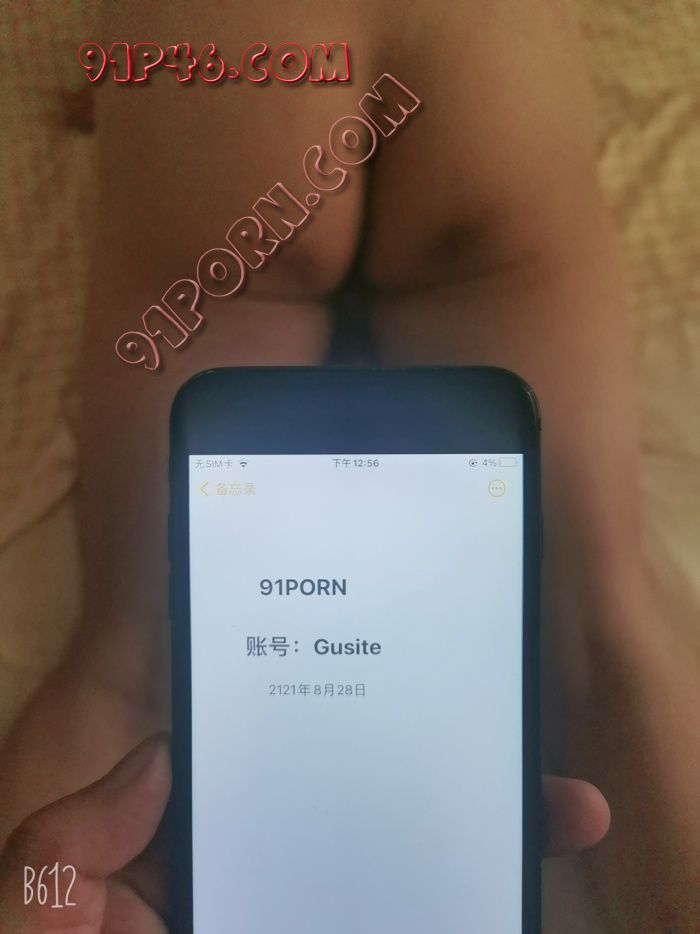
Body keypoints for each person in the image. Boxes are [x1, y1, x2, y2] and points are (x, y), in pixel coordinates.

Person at [0, 1, 697, 930]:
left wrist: (32, 901)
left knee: (131, 656)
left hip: (242, 56)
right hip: (482, 44)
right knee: (604, 634)